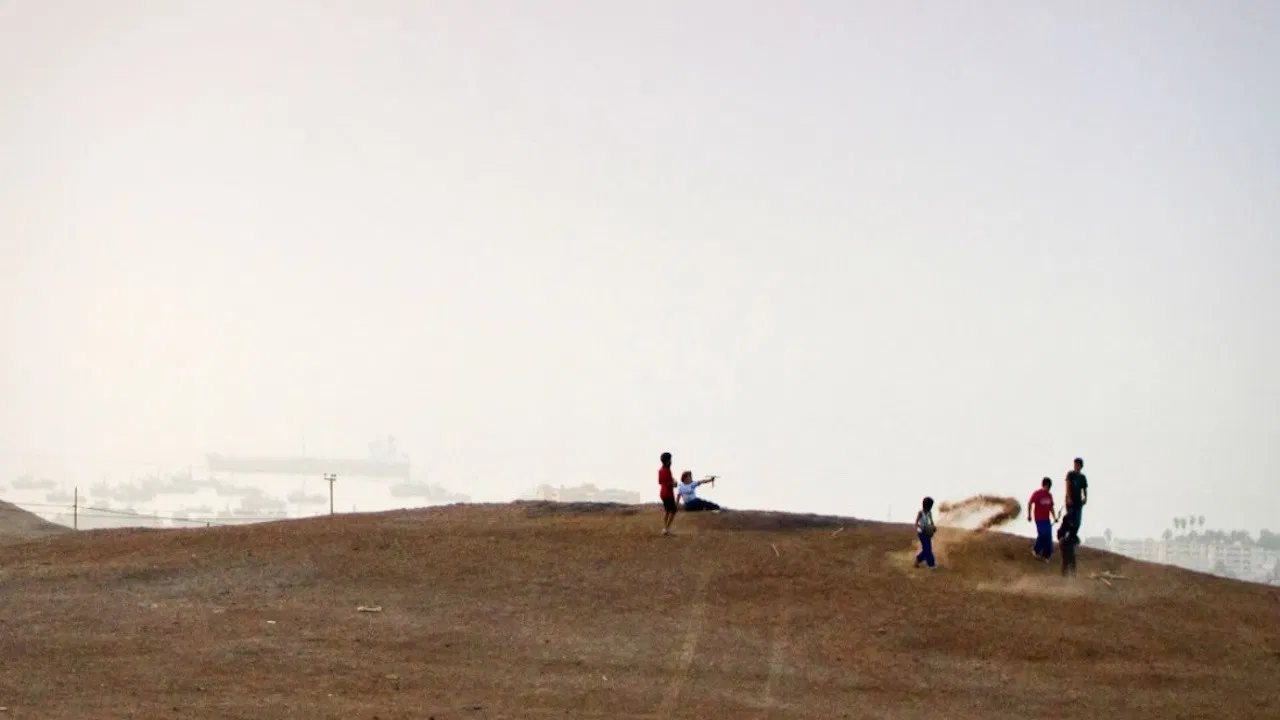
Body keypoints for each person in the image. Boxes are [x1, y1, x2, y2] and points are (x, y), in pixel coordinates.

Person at [1027, 477, 1059, 561]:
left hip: (1047, 519)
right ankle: (1036, 550)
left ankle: (1046, 555)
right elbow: (1030, 503)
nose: (1048, 489)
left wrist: (1055, 517)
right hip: (1039, 518)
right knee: (1043, 534)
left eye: (1049, 487)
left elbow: (1051, 507)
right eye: (1047, 486)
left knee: (1048, 536)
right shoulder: (1037, 493)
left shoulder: (1049, 495)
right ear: (1044, 485)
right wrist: (1029, 515)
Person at [1064, 457, 1089, 535]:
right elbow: (1067, 486)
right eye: (1075, 464)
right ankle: (1065, 534)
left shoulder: (1082, 477)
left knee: (1077, 522)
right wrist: (1068, 498)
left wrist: (1085, 498)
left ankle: (1073, 536)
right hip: (1070, 500)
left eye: (1077, 465)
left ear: (1081, 466)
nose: (1076, 466)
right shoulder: (1070, 474)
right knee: (1070, 519)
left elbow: (1084, 489)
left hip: (1078, 501)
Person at [914, 496, 937, 569]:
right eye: (931, 506)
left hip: (927, 533)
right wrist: (922, 528)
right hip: (921, 533)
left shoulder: (929, 513)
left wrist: (933, 527)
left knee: (927, 549)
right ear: (927, 506)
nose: (931, 507)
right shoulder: (920, 513)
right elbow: (916, 523)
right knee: (927, 549)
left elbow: (932, 521)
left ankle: (918, 560)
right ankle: (931, 564)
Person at [658, 452, 678, 535]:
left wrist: (672, 481)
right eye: (670, 460)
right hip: (668, 494)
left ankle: (665, 527)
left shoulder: (660, 470)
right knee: (673, 511)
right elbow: (669, 484)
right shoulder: (667, 470)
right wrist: (674, 483)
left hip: (663, 493)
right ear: (667, 461)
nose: (671, 461)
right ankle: (667, 528)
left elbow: (660, 482)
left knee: (667, 511)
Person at [1057, 508, 1080, 577]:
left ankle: (1072, 572)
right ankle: (1065, 573)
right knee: (1066, 559)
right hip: (1064, 545)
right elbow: (1060, 535)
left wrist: (1076, 541)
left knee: (1072, 558)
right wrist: (1062, 538)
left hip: (1070, 544)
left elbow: (1075, 537)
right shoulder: (1063, 528)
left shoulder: (1072, 527)